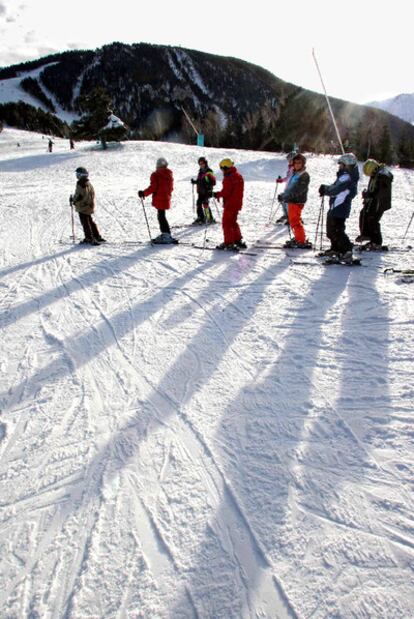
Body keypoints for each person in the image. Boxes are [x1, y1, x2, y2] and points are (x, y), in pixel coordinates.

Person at [319, 152, 359, 262]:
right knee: (331, 230)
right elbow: (336, 188)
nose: (339, 166)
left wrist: (326, 190)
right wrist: (326, 188)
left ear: (346, 165)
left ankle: (347, 251)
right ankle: (336, 248)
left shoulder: (346, 177)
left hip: (340, 206)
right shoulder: (345, 176)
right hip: (336, 206)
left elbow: (336, 190)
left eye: (341, 164)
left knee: (337, 230)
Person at [355, 158, 393, 248]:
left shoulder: (383, 176)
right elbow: (373, 189)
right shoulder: (376, 174)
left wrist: (369, 194)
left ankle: (376, 241)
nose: (371, 176)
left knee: (373, 219)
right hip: (373, 201)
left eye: (371, 174)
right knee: (363, 214)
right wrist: (367, 194)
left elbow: (380, 191)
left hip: (380, 202)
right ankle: (366, 234)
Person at [138, 157, 176, 244]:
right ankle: (166, 234)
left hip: (159, 198)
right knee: (162, 215)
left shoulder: (156, 175)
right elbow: (171, 188)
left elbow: (153, 187)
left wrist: (143, 193)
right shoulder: (169, 174)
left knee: (161, 216)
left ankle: (166, 235)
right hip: (166, 198)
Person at [277, 153, 311, 248]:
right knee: (292, 221)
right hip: (292, 200)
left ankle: (301, 240)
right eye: (295, 163)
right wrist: (284, 195)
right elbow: (290, 187)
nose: (297, 164)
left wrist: (287, 196)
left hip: (297, 201)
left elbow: (299, 190)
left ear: (303, 164)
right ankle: (298, 238)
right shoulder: (295, 173)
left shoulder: (304, 175)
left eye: (299, 163)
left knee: (295, 221)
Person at [213, 158, 245, 249]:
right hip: (237, 203)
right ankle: (237, 239)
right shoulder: (238, 176)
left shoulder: (228, 178)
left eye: (222, 168)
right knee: (233, 222)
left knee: (226, 223)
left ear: (225, 168)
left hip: (230, 204)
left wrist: (216, 194)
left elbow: (226, 192)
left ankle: (229, 242)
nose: (221, 170)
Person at [72, 167, 106, 245]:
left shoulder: (80, 183)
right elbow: (91, 194)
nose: (76, 176)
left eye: (78, 174)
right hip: (89, 206)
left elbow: (79, 195)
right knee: (90, 221)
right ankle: (96, 236)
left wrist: (73, 200)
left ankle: (89, 238)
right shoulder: (88, 183)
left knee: (85, 222)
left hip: (83, 207)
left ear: (81, 175)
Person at [191, 157, 216, 224]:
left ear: (205, 163)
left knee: (205, 204)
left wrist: (209, 186)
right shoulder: (200, 172)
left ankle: (209, 218)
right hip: (200, 191)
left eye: (202, 163)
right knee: (198, 203)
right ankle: (201, 217)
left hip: (207, 191)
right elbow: (200, 181)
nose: (201, 165)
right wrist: (195, 182)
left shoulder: (209, 171)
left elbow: (213, 182)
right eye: (200, 163)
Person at [275, 151, 297, 224]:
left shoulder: (295, 169)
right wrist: (281, 180)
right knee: (282, 199)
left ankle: (291, 217)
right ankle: (286, 215)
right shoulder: (291, 168)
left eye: (290, 160)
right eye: (288, 160)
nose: (288, 162)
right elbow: (288, 177)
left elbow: (291, 178)